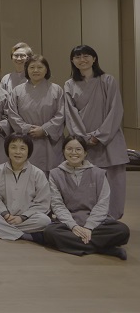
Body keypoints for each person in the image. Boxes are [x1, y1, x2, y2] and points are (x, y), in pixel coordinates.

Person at [63, 45, 128, 220]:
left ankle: (111, 218)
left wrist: (99, 136)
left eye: (86, 56)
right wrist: (83, 138)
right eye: (77, 57)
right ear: (72, 61)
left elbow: (116, 110)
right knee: (88, 183)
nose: (82, 60)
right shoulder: (69, 84)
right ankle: (89, 218)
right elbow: (70, 114)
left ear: (94, 59)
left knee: (113, 181)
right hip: (84, 144)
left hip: (109, 140)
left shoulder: (107, 80)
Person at [43, 135, 130, 260]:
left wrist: (89, 226)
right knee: (50, 232)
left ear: (85, 153)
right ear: (63, 151)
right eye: (69, 149)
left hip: (96, 222)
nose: (74, 153)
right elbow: (57, 205)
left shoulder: (98, 173)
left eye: (78, 149)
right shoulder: (55, 174)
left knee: (122, 230)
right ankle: (105, 249)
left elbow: (102, 204)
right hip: (69, 222)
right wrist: (73, 226)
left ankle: (78, 244)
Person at [0, 134, 51, 243]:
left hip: (27, 219)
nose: (18, 152)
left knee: (44, 220)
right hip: (4, 218)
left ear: (28, 151)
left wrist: (22, 217)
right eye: (13, 147)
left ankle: (3, 231)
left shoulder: (38, 173)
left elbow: (42, 202)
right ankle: (25, 236)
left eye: (22, 148)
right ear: (7, 150)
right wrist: (5, 214)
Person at [7, 54, 65, 174]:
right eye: (32, 67)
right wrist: (26, 128)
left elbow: (61, 114)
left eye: (40, 67)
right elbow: (12, 114)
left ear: (46, 70)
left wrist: (44, 129)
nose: (35, 70)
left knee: (51, 174)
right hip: (26, 139)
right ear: (26, 70)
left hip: (49, 141)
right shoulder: (17, 90)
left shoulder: (57, 90)